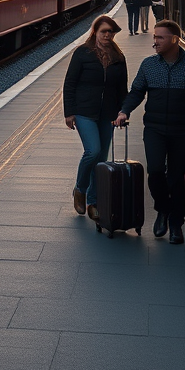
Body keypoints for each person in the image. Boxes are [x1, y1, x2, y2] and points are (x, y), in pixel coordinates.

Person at [114, 19, 185, 244]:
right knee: (156, 171)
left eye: (160, 37)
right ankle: (163, 210)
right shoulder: (149, 65)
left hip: (183, 130)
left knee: (178, 177)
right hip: (155, 129)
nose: (155, 42)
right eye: (154, 37)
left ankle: (177, 222)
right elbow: (137, 91)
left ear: (175, 39)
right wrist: (124, 111)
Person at [63, 15, 129, 220]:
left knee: (101, 159)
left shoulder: (119, 57)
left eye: (111, 31)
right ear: (95, 32)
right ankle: (80, 189)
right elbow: (70, 83)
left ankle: (93, 202)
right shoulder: (82, 53)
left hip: (108, 113)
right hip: (84, 112)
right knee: (93, 151)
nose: (108, 35)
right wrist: (69, 112)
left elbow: (122, 88)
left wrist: (122, 112)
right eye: (104, 31)